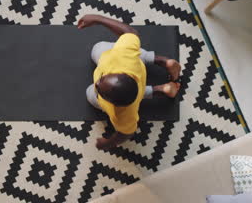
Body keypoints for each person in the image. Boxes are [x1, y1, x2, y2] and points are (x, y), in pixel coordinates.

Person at [77, 14, 181, 150]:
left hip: (135, 79)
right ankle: (164, 63)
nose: (96, 83)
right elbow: (131, 32)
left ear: (114, 104)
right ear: (121, 73)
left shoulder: (120, 113)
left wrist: (109, 143)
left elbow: (126, 133)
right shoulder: (124, 56)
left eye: (99, 90)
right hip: (136, 72)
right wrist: (97, 19)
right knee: (116, 50)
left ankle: (161, 88)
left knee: (90, 94)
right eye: (102, 79)